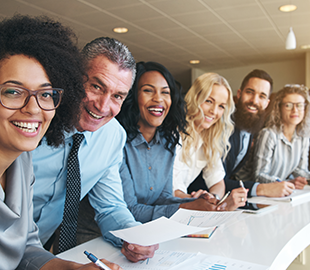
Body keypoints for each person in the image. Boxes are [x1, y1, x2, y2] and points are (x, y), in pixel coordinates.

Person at [0, 16, 135, 270]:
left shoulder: (20, 160)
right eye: (12, 91)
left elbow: (24, 248)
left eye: (45, 94)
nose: (33, 108)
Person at [33, 37, 158, 262]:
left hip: (34, 256)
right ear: (74, 77)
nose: (102, 106)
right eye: (96, 87)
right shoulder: (33, 121)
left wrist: (133, 235)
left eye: (117, 96)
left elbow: (110, 207)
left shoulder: (113, 136)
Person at [116, 62, 222, 223]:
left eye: (165, 92)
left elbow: (163, 197)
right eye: (148, 90)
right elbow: (129, 209)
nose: (158, 98)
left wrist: (201, 203)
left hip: (147, 231)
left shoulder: (168, 143)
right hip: (103, 235)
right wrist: (185, 208)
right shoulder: (119, 143)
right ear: (133, 96)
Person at [188, 69, 295, 198]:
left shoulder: (251, 128)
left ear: (267, 103)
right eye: (250, 92)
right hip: (192, 196)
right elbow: (212, 180)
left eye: (262, 96)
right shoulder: (218, 126)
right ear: (239, 94)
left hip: (215, 199)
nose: (254, 101)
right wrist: (261, 189)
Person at [173, 73, 248, 210]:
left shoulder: (209, 139)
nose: (214, 111)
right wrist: (197, 199)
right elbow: (169, 191)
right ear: (196, 98)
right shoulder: (174, 134)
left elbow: (218, 183)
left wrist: (214, 197)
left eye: (221, 106)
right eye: (209, 101)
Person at [245, 84, 310, 185]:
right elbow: (259, 176)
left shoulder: (303, 136)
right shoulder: (268, 134)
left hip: (282, 193)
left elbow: (300, 171)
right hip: (259, 194)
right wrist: (285, 183)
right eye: (288, 105)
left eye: (300, 105)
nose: (295, 110)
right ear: (279, 108)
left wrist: (303, 179)